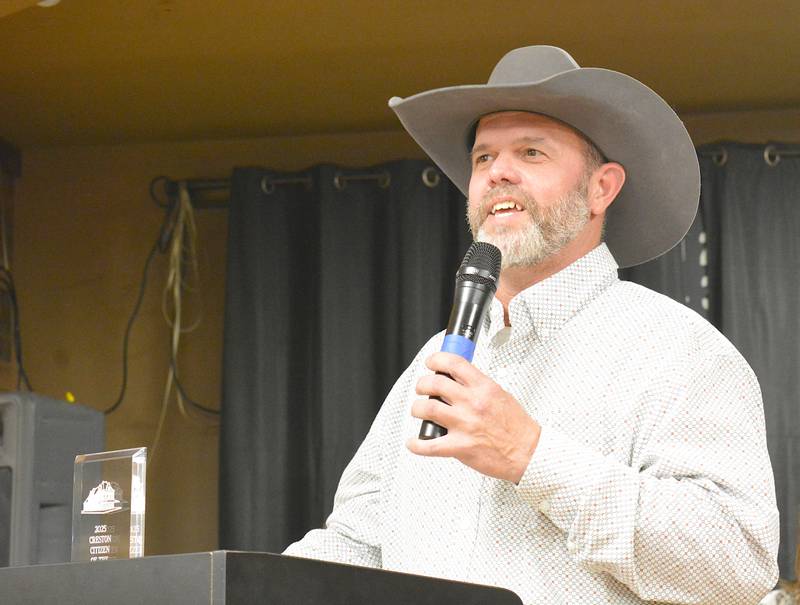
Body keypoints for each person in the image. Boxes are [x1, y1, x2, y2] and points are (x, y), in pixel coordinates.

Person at [284, 45, 779, 604]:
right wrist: (236, 585)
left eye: (531, 152)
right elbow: (358, 544)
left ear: (602, 189)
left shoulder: (678, 351)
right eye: (482, 159)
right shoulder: (433, 362)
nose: (498, 173)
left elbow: (738, 563)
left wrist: (532, 456)